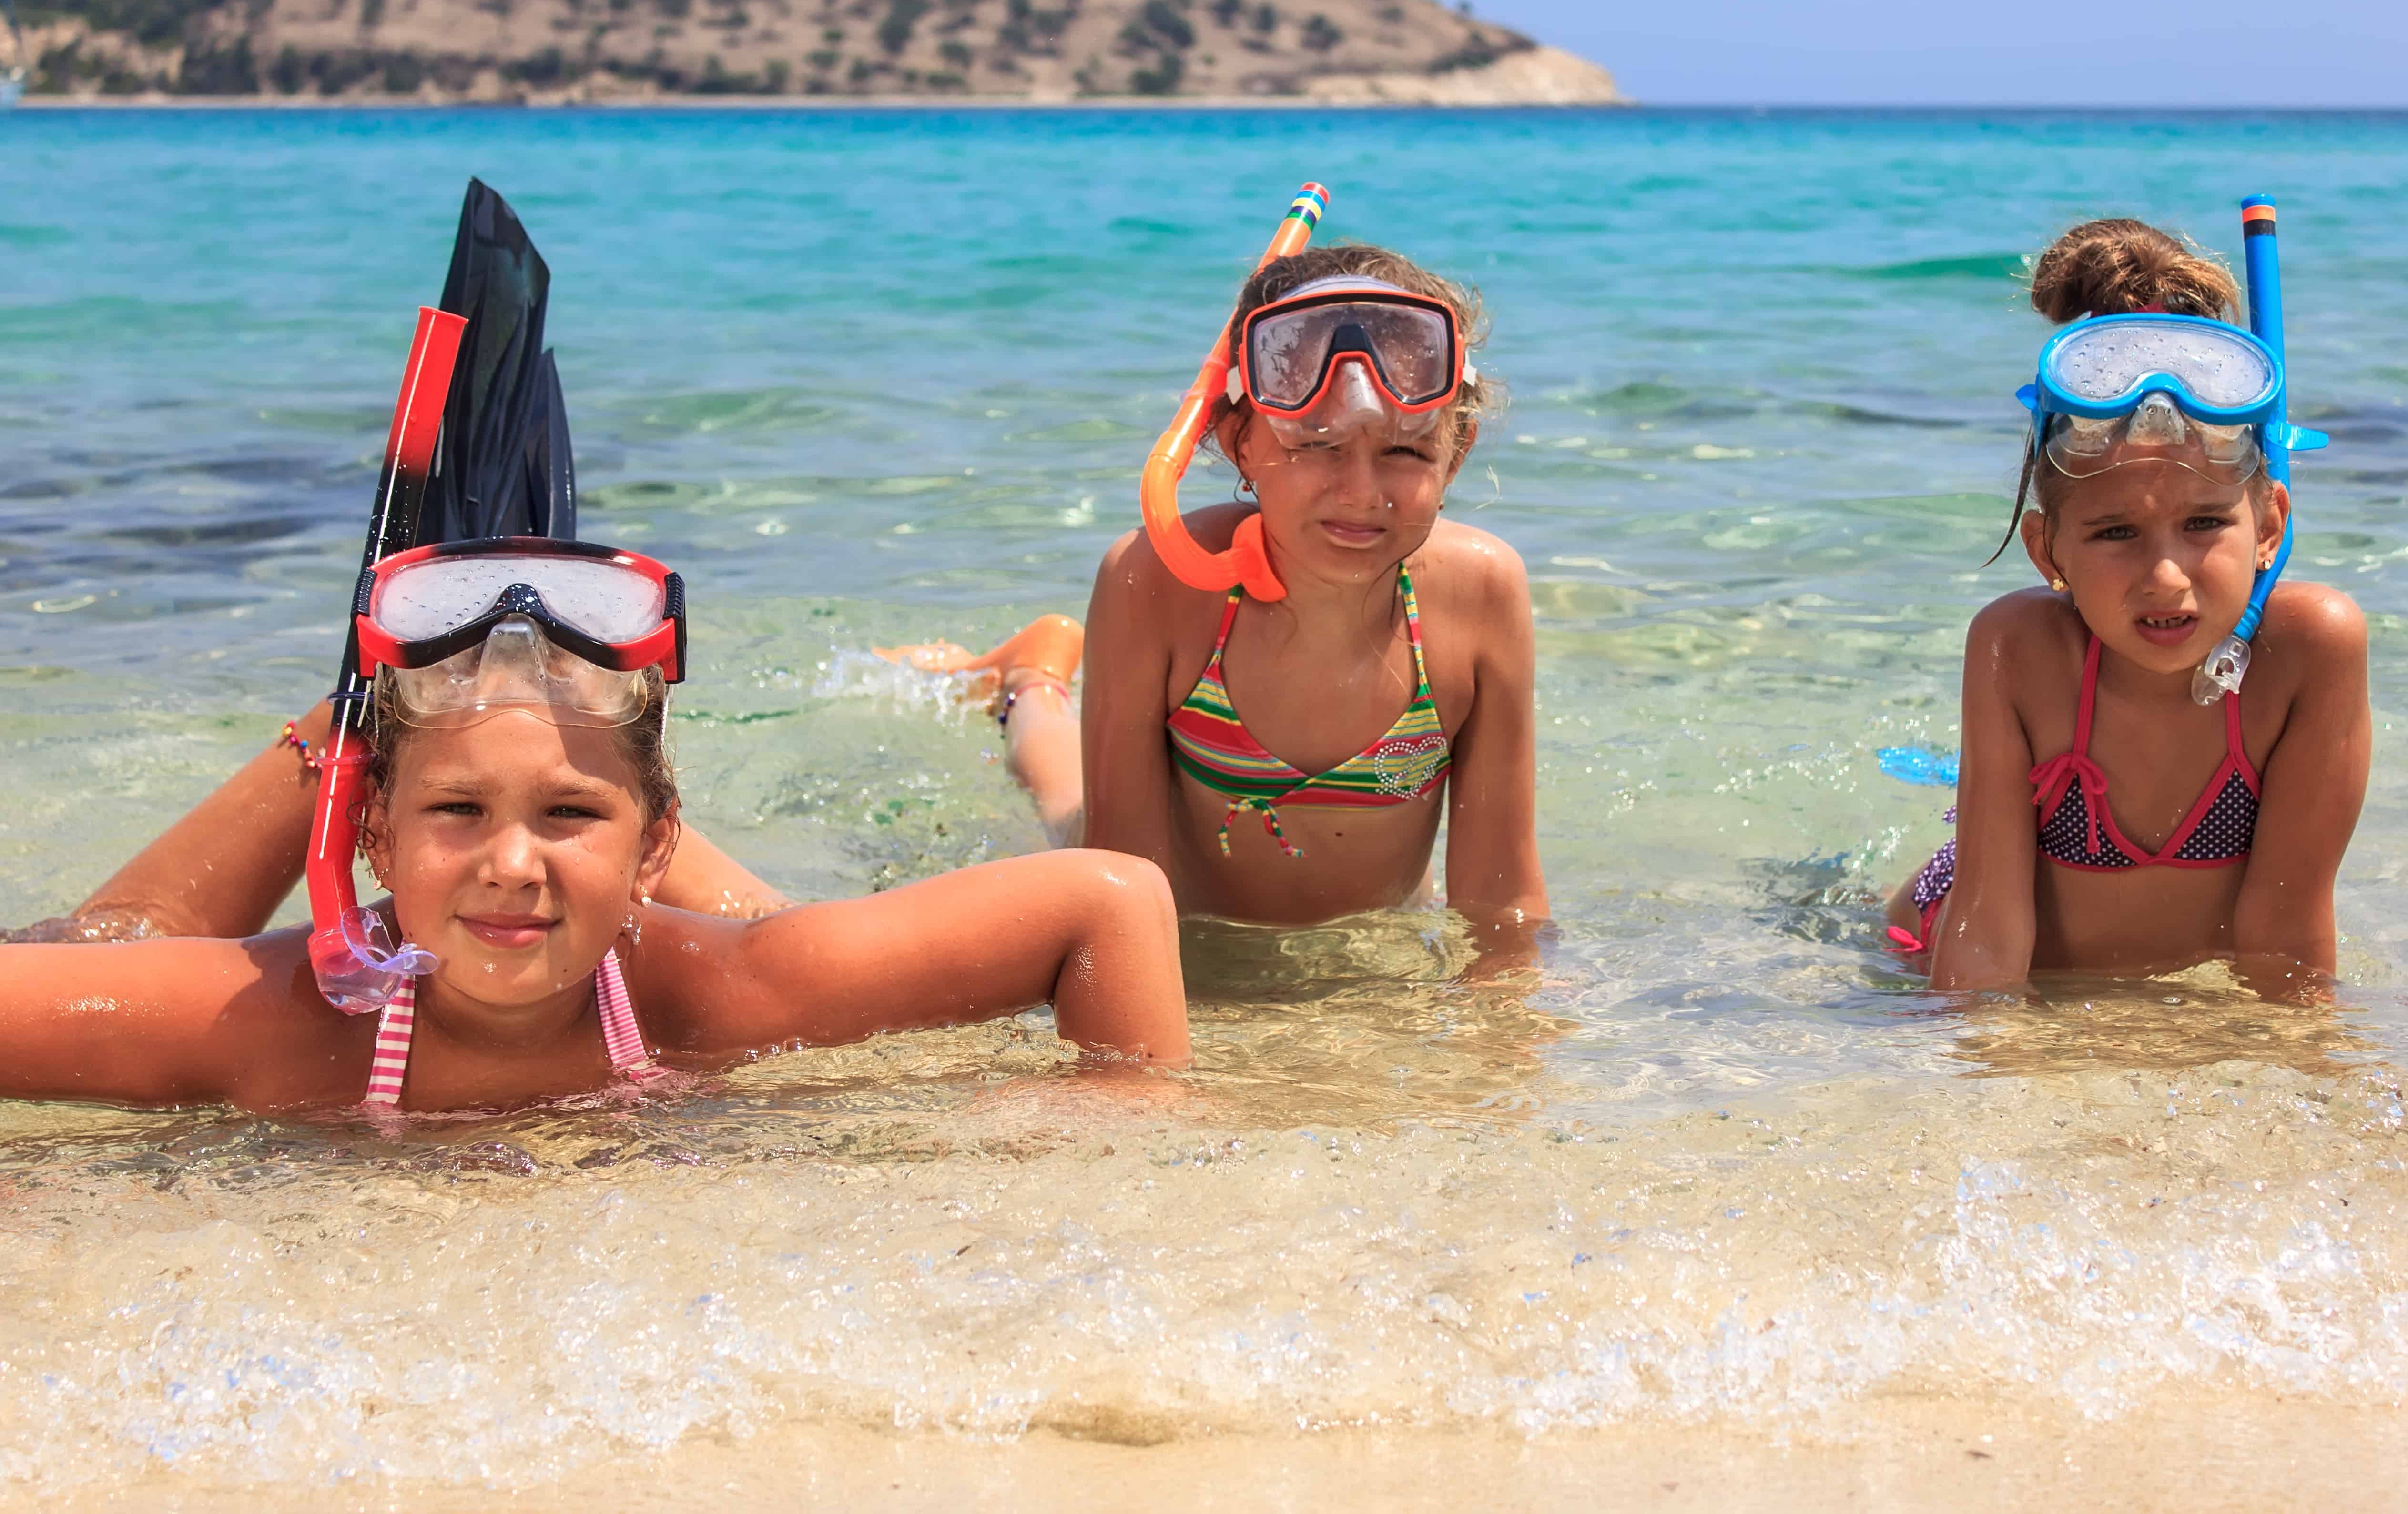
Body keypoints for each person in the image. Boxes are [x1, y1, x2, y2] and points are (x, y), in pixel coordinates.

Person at [0, 539, 1189, 1112]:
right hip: (373, 818)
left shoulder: (725, 993)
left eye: (566, 815)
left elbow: (1110, 901)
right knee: (97, 945)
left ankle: (1029, 680)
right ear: (371, 838)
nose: (510, 865)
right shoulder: (266, 1022)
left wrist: (1115, 1149)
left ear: (658, 850)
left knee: (777, 922)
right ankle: (342, 731)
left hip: (654, 933)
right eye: (457, 813)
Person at [886, 245, 1548, 958]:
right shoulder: (1164, 580)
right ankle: (1034, 681)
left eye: (1406, 453)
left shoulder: (1482, 593)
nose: (1362, 492)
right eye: (1318, 445)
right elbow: (1120, 896)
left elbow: (1501, 903)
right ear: (1239, 440)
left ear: (1456, 453)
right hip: (1159, 889)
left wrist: (1502, 1053)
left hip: (1359, 928)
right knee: (1058, 795)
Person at [1884, 217, 2370, 999]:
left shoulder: (2312, 650)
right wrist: (1969, 1100)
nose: (2167, 577)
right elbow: (1986, 943)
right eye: (2116, 533)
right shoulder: (2020, 648)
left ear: (2271, 524)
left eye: (2206, 523)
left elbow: (2286, 943)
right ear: (2048, 552)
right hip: (1926, 941)